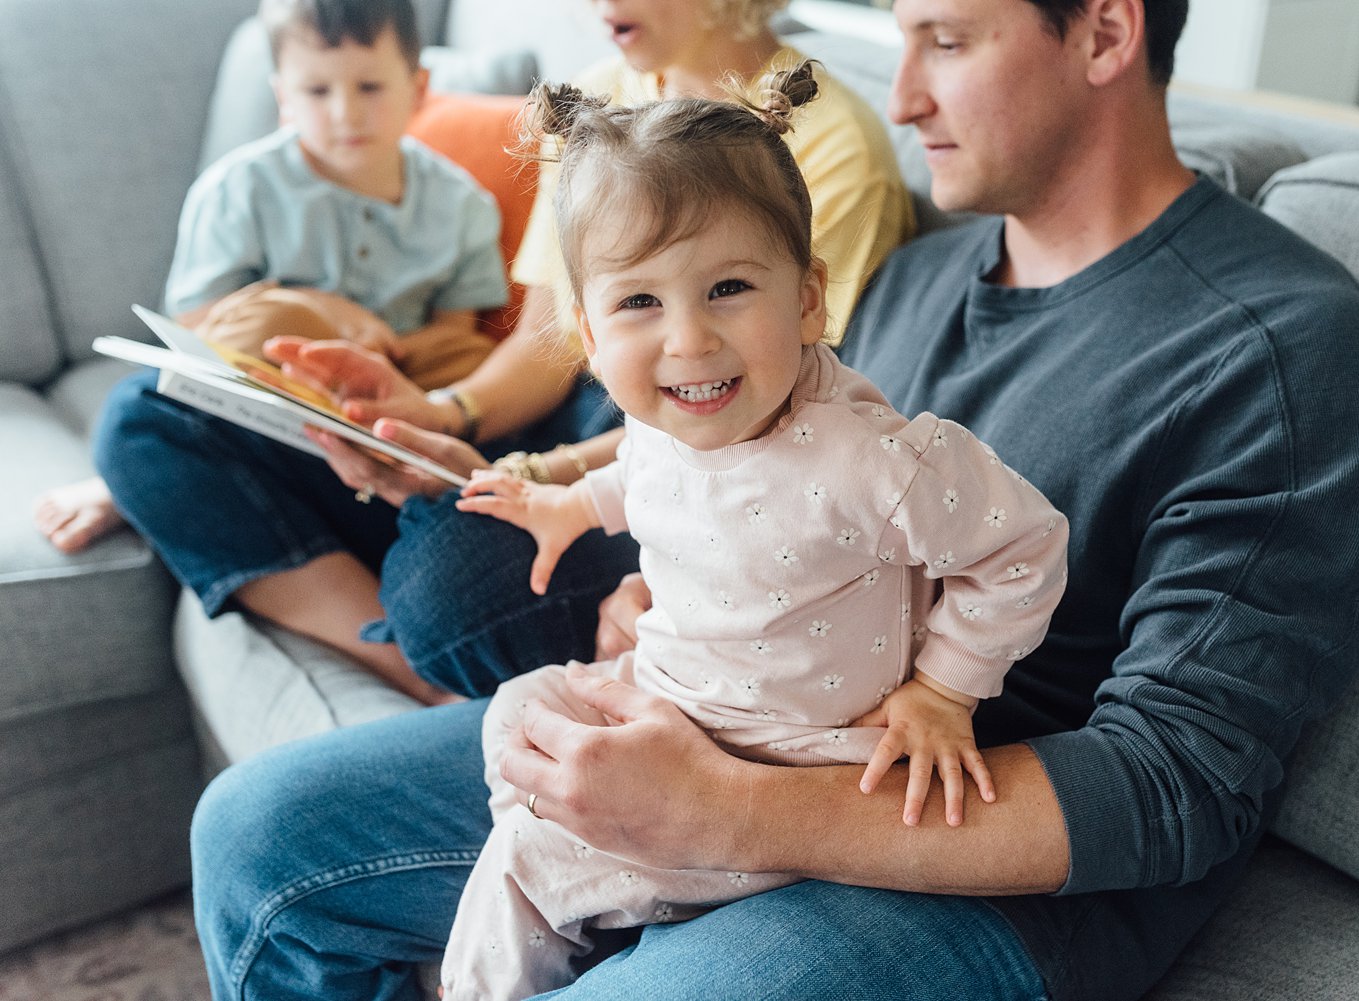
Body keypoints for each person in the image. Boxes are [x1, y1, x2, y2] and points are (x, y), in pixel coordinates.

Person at [189, 2, 1359, 1000]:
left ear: (1105, 33)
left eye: (946, 39)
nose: (901, 98)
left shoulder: (1280, 349)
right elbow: (759, 480)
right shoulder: (927, 272)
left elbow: (1176, 790)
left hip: (983, 862)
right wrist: (612, 546)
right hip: (735, 716)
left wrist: (729, 812)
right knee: (255, 832)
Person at [74, 0, 914, 711]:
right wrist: (437, 417)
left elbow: (755, 418)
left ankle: (423, 597)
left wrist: (536, 477)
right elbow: (549, 346)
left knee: (448, 586)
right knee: (148, 419)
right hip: (571, 429)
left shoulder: (829, 143)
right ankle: (399, 647)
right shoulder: (602, 102)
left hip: (683, 474)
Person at [438, 73, 1066, 1000]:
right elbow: (647, 476)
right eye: (639, 304)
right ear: (588, 333)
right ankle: (602, 875)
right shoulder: (667, 417)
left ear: (808, 299)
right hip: (676, 694)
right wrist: (569, 506)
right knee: (516, 714)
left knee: (527, 864)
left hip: (797, 753)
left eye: (728, 287)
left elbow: (1026, 545)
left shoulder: (868, 462)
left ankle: (529, 935)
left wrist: (944, 689)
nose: (688, 341)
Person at [33, 0, 507, 559]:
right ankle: (132, 485)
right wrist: (327, 314)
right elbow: (197, 328)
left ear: (418, 87)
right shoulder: (240, 188)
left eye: (370, 87)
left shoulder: (462, 203)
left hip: (392, 384)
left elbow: (455, 334)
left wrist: (373, 355)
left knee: (476, 354)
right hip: (273, 381)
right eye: (317, 92)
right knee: (275, 321)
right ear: (283, 97)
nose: (345, 113)